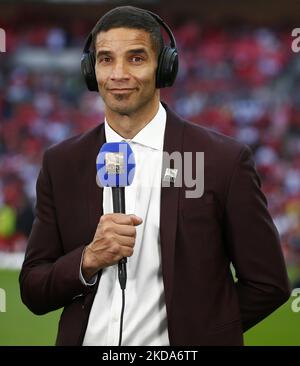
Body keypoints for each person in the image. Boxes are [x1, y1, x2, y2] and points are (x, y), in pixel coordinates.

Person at [19, 6, 291, 346]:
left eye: (135, 58)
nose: (118, 73)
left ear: (164, 67)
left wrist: (198, 335)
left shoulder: (222, 161)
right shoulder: (61, 163)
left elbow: (269, 284)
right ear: (91, 72)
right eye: (105, 59)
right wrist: (87, 260)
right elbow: (33, 288)